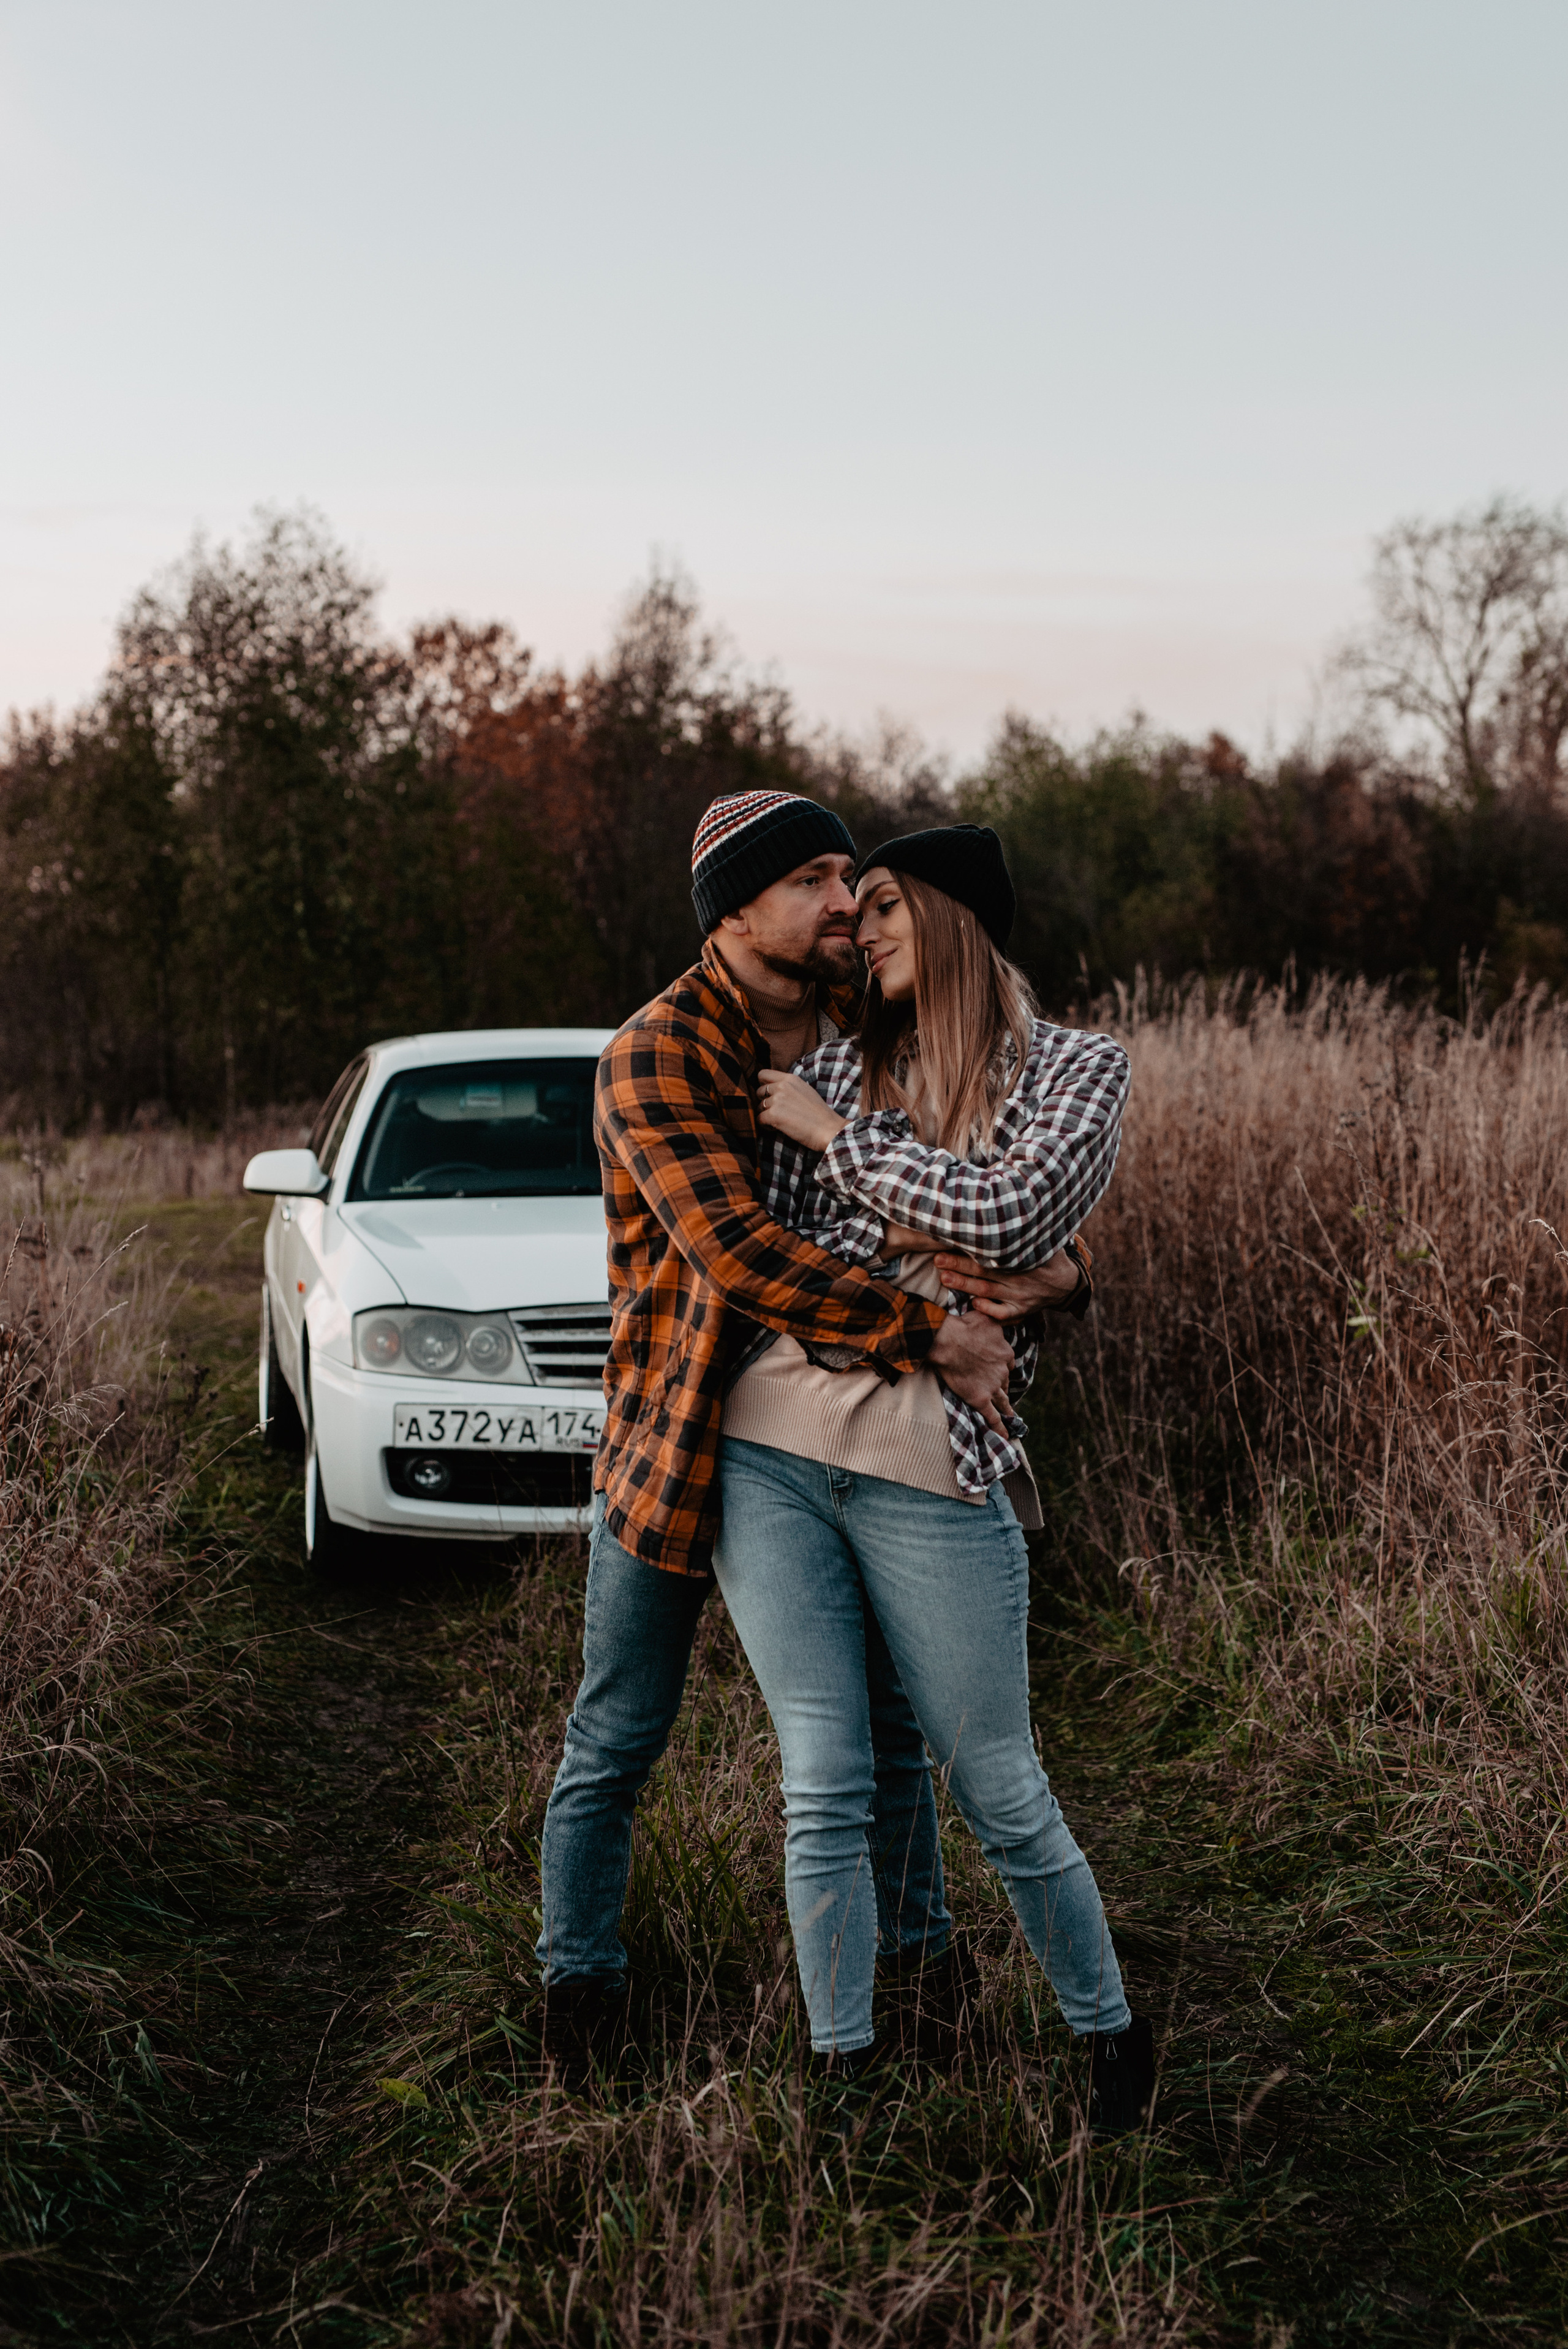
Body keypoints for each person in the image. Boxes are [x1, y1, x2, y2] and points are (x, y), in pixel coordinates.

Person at [534, 792, 1079, 2075]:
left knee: (887, 1732)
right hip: (683, 1441)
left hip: (843, 1439)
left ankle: (921, 1970)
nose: (848, 900)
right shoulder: (656, 1053)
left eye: (851, 876)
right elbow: (735, 1252)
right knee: (619, 1728)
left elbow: (977, 1191)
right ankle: (582, 1993)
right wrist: (929, 1330)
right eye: (816, 880)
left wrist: (1059, 1275)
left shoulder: (865, 1028)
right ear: (734, 909)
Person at [710, 822, 1156, 2133]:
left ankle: (1112, 2046)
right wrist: (950, 1219)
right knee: (824, 1778)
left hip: (930, 1459)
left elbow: (1011, 1222)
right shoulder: (842, 1058)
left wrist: (856, 1155)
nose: (862, 927)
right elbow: (818, 1246)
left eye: (890, 907)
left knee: (996, 1780)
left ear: (955, 920)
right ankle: (843, 2076)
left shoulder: (1079, 1069)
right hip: (771, 1446)